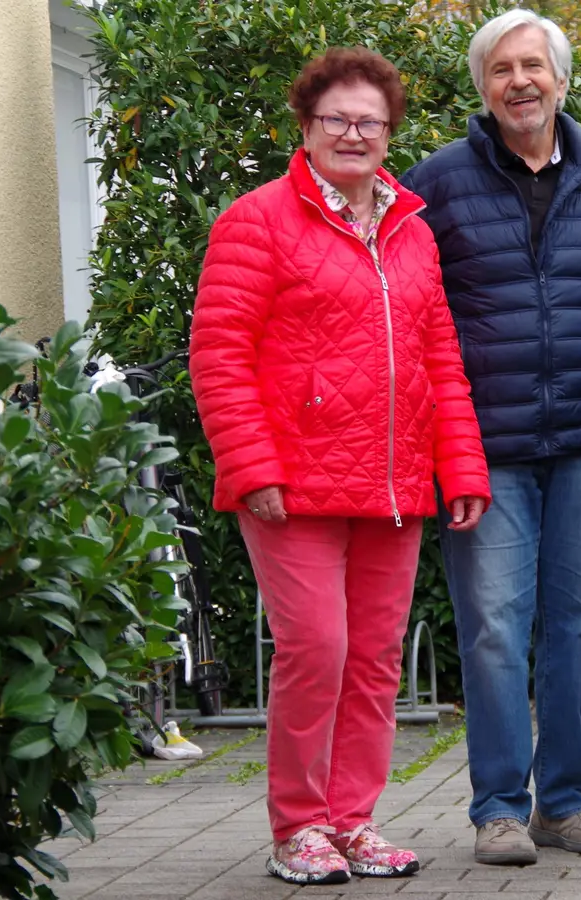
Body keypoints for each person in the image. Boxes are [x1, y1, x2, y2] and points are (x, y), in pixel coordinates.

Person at [188, 47, 491, 886]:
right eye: (337, 119)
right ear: (307, 126)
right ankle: (299, 828)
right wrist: (252, 468)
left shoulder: (412, 230)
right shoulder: (255, 220)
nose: (353, 133)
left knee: (375, 659)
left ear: (391, 132)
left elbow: (439, 356)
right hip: (292, 484)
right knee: (315, 648)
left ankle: (353, 821)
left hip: (393, 483)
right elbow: (218, 354)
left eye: (370, 121)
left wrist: (460, 468)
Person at [400, 8, 581, 867]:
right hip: (485, 447)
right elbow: (411, 308)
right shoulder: (435, 181)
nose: (519, 81)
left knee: (579, 622)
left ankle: (568, 805)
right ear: (483, 86)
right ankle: (500, 809)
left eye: (532, 66)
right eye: (502, 68)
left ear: (560, 79)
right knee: (496, 629)